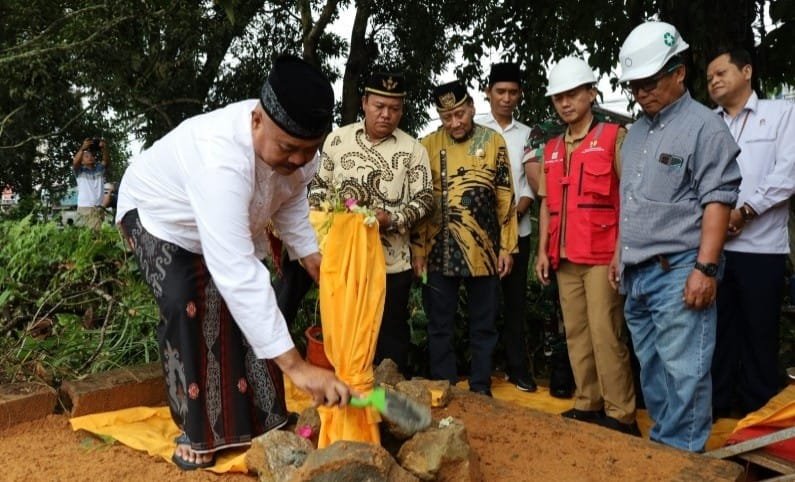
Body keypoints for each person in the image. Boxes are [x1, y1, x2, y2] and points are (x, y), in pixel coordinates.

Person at [115, 55, 351, 470]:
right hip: (161, 217)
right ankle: (197, 431)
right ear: (257, 120)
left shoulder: (300, 154)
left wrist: (311, 254)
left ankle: (264, 419)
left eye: (307, 151)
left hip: (228, 223)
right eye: (288, 149)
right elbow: (236, 272)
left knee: (248, 311)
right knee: (185, 301)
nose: (298, 160)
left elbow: (291, 202)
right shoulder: (219, 158)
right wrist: (298, 367)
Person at [617, 22, 741, 451]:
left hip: (680, 272)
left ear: (679, 71)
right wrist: (621, 256)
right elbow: (630, 202)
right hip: (638, 274)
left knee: (685, 371)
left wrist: (705, 268)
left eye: (650, 82)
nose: (641, 92)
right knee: (653, 369)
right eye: (635, 85)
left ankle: (684, 461)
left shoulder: (705, 127)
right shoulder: (634, 133)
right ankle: (666, 452)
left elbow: (718, 201)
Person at [535, 56, 638, 434]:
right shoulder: (552, 148)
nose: (565, 103)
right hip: (563, 256)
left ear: (591, 93)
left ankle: (620, 413)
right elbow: (547, 203)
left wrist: (619, 253)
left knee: (605, 332)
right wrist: (543, 250)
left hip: (601, 256)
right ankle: (588, 403)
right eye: (558, 97)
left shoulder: (613, 137)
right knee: (576, 333)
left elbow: (629, 199)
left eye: (573, 94)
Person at [307, 71, 434, 376]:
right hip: (343, 260)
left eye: (394, 108)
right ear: (364, 103)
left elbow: (426, 200)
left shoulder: (413, 150)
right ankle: (344, 399)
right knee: (345, 329)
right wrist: (333, 217)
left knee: (389, 333)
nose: (386, 114)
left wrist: (393, 219)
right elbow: (318, 188)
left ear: (402, 109)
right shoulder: (337, 140)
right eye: (379, 106)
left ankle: (388, 404)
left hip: (391, 262)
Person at [412, 80, 518, 396]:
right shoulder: (426, 146)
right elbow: (419, 202)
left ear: (471, 107)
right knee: (439, 326)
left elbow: (505, 197)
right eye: (447, 117)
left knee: (483, 325)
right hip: (437, 250)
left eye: (460, 113)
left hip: (483, 250)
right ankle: (444, 386)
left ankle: (480, 388)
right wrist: (417, 249)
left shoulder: (494, 141)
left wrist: (507, 247)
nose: (455, 122)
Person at [706, 47, 795, 417]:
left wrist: (744, 211)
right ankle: (719, 412)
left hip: (762, 250)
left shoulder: (782, 114)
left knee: (759, 337)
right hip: (715, 251)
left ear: (747, 71)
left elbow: (787, 174)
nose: (714, 81)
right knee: (718, 337)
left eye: (721, 73)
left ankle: (758, 422)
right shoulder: (707, 124)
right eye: (709, 77)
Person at [477, 62, 537, 392]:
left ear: (520, 95)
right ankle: (481, 373)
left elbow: (530, 185)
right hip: (480, 236)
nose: (506, 97)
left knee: (515, 305)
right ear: (488, 93)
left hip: (518, 232)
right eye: (500, 91)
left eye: (513, 92)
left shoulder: (527, 135)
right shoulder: (474, 129)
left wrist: (512, 216)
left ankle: (517, 369)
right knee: (484, 306)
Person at [72, 137, 109, 229]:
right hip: (83, 208)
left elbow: (106, 161)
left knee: (95, 237)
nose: (90, 157)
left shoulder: (99, 169)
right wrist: (83, 148)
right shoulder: (79, 171)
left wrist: (104, 148)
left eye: (92, 156)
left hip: (96, 208)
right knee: (83, 237)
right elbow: (75, 163)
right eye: (86, 156)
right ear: (82, 161)